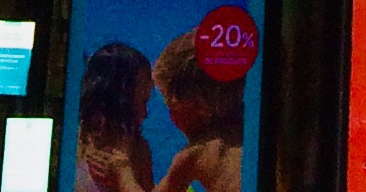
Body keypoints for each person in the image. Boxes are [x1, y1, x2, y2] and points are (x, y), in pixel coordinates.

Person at [149, 38, 242, 192]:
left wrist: (122, 170)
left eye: (171, 106)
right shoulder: (252, 134)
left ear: (195, 102)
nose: (172, 119)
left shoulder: (196, 153)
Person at [74, 44, 154, 192]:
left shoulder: (138, 150)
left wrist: (123, 170)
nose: (145, 113)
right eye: (142, 101)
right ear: (119, 100)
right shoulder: (71, 145)